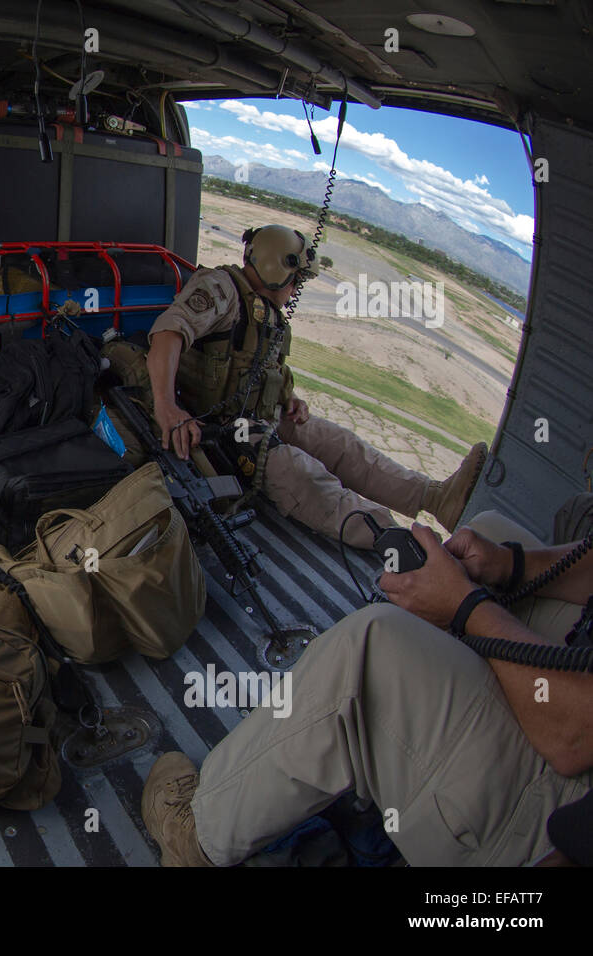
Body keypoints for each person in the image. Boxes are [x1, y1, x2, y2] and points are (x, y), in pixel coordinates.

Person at [140, 510, 593, 866]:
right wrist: (512, 564)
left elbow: (574, 737)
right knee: (489, 532)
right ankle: (400, 754)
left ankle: (199, 837)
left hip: (556, 819)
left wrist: (466, 607)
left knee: (373, 645)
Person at [144, 224, 487, 546]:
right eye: (296, 280)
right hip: (222, 429)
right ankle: (408, 545)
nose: (296, 290)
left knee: (343, 445)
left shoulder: (267, 312)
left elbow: (258, 368)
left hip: (260, 418)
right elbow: (167, 334)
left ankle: (438, 498)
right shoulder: (221, 289)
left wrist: (288, 396)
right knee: (303, 476)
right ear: (276, 269)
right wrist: (166, 407)